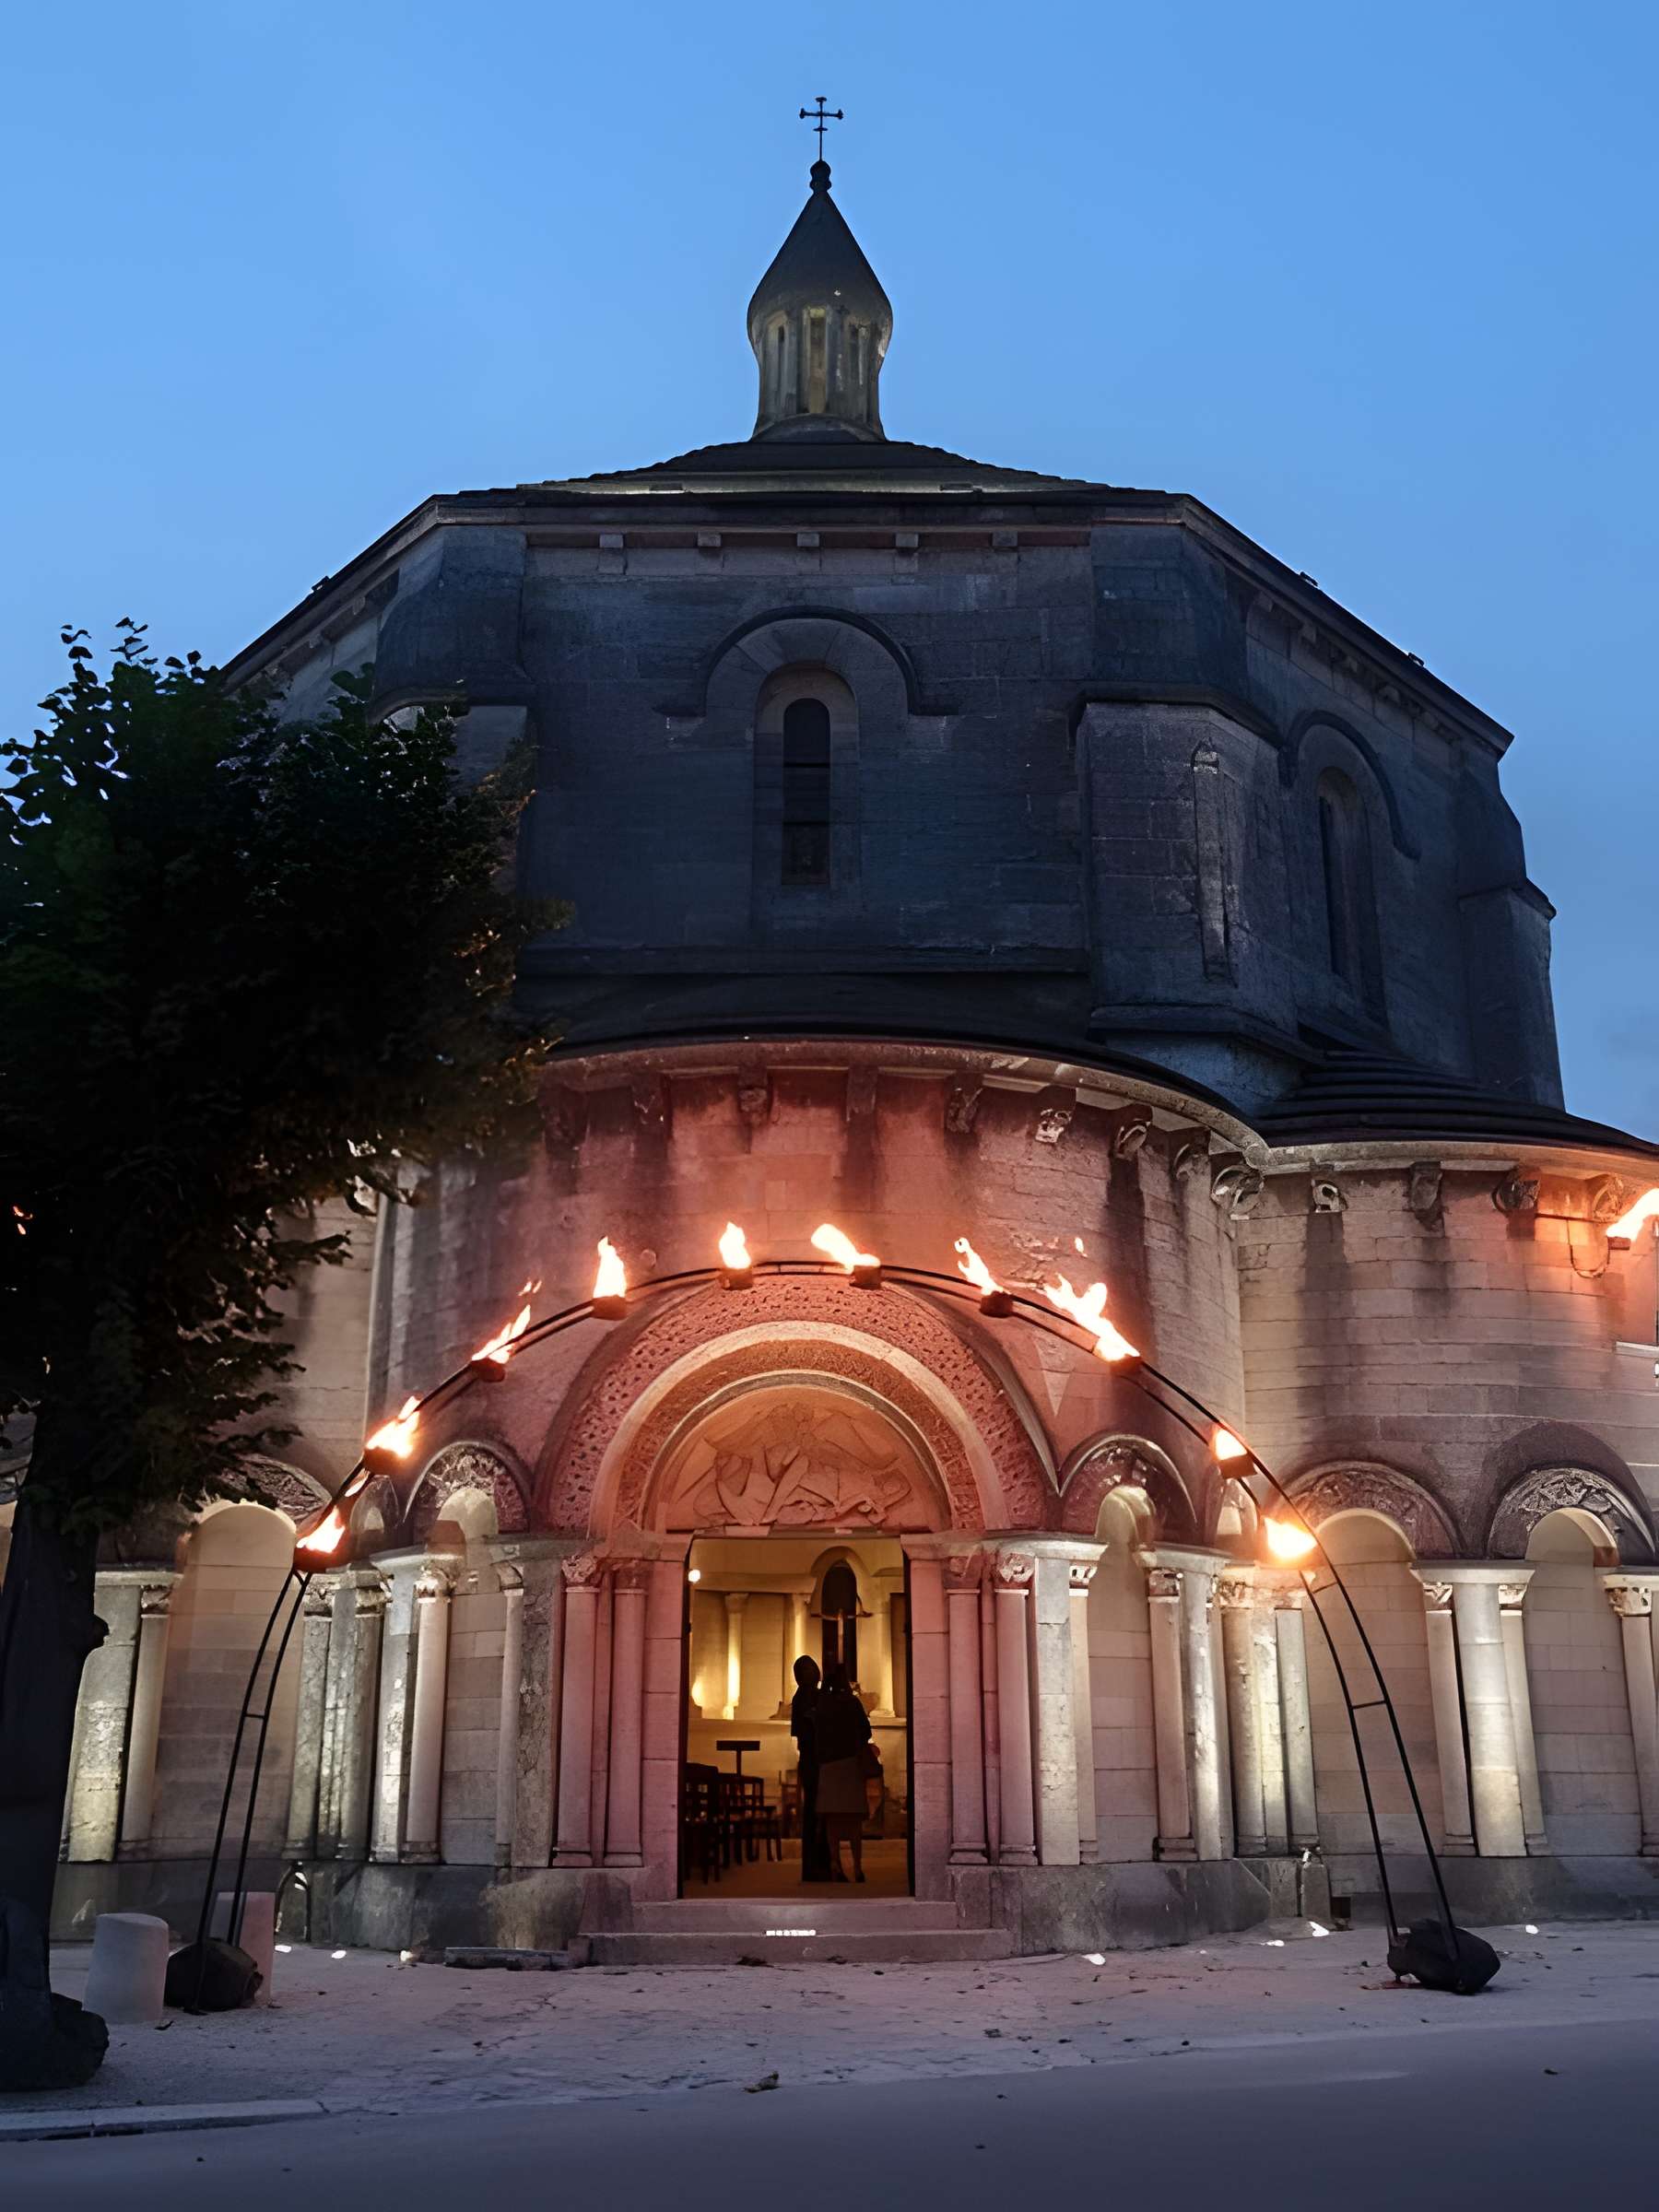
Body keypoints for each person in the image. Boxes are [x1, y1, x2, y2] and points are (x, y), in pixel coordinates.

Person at [814, 1663, 874, 1884]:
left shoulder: (823, 1705)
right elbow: (866, 1732)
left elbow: (816, 1734)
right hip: (850, 1764)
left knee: (832, 1821)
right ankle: (857, 1867)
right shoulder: (852, 1703)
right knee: (853, 1822)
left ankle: (835, 1864)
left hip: (829, 1766)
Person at [789, 1654, 830, 1883]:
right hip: (813, 1759)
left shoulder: (807, 1695)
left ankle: (817, 1865)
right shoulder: (806, 1695)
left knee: (817, 1810)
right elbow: (811, 1725)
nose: (813, 1673)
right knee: (816, 1810)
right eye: (808, 1670)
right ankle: (816, 1865)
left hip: (813, 1758)